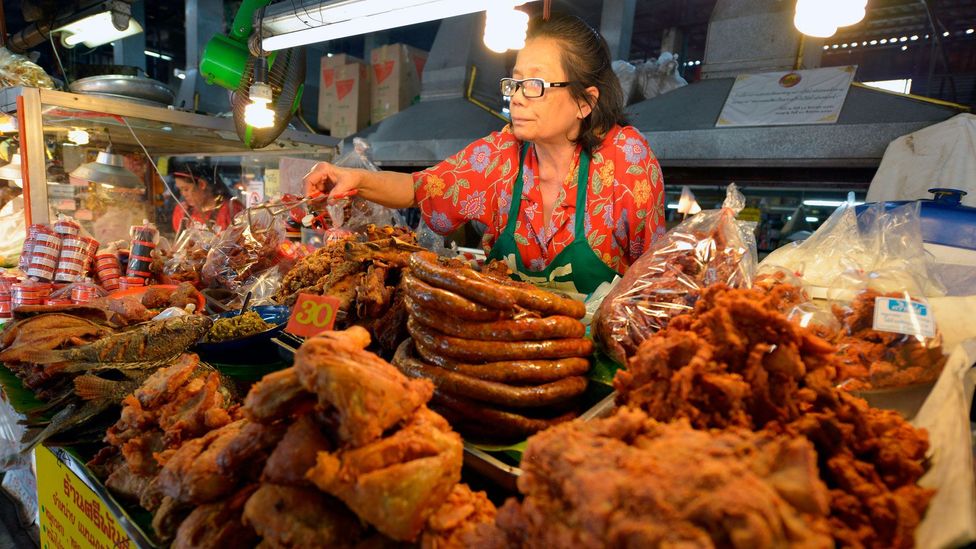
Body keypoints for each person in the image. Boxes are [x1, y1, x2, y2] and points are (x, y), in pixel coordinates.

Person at [304, 14, 665, 294]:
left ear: (586, 102)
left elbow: (654, 279)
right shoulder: (502, 155)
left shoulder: (626, 160)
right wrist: (354, 177)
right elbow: (422, 189)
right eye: (516, 82)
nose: (518, 97)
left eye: (535, 84)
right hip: (502, 358)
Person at [171, 163, 243, 233]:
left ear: (202, 184)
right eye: (180, 189)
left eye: (186, 189)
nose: (183, 194)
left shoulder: (231, 210)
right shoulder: (182, 211)